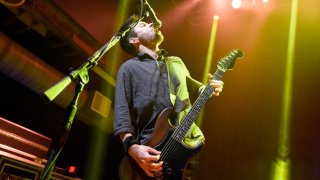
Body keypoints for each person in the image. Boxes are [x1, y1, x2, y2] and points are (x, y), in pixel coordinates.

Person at [113, 15, 224, 179]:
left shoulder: (176, 62)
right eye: (143, 24)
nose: (151, 24)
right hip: (150, 155)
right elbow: (122, 114)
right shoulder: (128, 68)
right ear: (133, 40)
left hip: (185, 147)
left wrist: (211, 87)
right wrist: (133, 148)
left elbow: (195, 89)